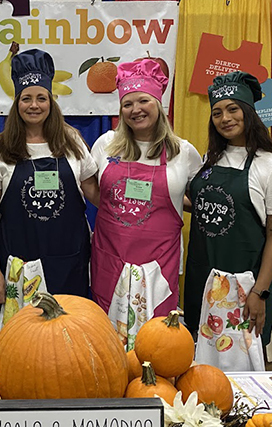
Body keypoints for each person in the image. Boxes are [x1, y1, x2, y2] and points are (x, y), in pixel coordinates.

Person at [90, 59, 202, 345]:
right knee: (108, 344)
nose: (135, 109)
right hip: (110, 260)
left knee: (158, 345)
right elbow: (91, 190)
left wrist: (175, 202)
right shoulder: (106, 144)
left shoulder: (184, 152)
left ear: (159, 103)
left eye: (143, 100)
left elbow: (197, 199)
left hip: (159, 267)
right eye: (127, 104)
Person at [0, 49, 99, 309]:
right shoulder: (0, 148)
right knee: (22, 338)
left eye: (41, 98)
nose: (34, 105)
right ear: (17, 102)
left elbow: (93, 191)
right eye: (26, 98)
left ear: (51, 101)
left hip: (69, 262)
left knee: (67, 333)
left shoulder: (72, 141)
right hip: (19, 265)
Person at [184, 71, 272, 345]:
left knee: (242, 365)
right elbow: (203, 206)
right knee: (200, 359)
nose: (225, 118)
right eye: (217, 112)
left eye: (233, 109)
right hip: (202, 279)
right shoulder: (210, 158)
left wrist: (260, 292)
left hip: (244, 286)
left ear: (248, 111)